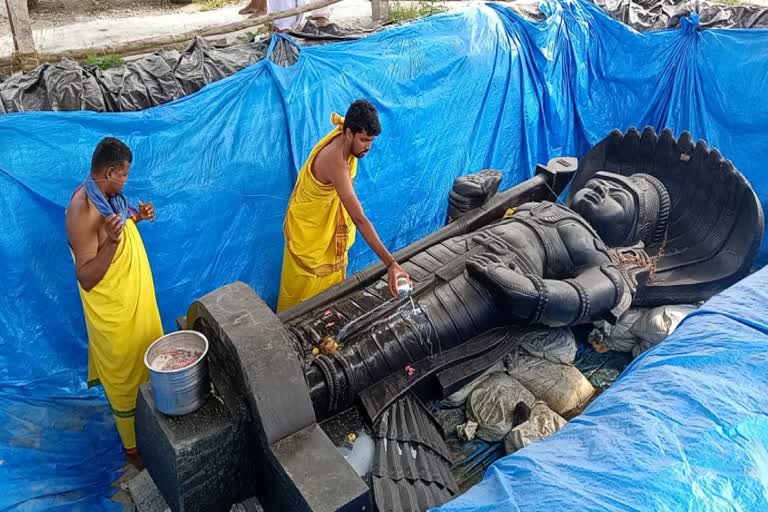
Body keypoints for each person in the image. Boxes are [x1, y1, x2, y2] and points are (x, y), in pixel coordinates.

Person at [65, 137, 163, 469]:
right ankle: (133, 451)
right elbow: (87, 277)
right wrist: (114, 242)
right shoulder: (82, 210)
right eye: (124, 175)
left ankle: (155, 423)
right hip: (115, 314)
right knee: (125, 375)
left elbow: (117, 225)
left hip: (136, 301)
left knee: (147, 358)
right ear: (110, 172)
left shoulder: (110, 198)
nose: (126, 181)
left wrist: (139, 217)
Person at [278, 100, 410, 312]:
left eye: (371, 141)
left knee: (328, 299)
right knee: (301, 299)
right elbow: (359, 219)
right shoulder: (336, 161)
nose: (368, 147)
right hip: (311, 238)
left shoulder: (346, 142)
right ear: (348, 133)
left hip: (328, 233)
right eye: (364, 140)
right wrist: (391, 264)